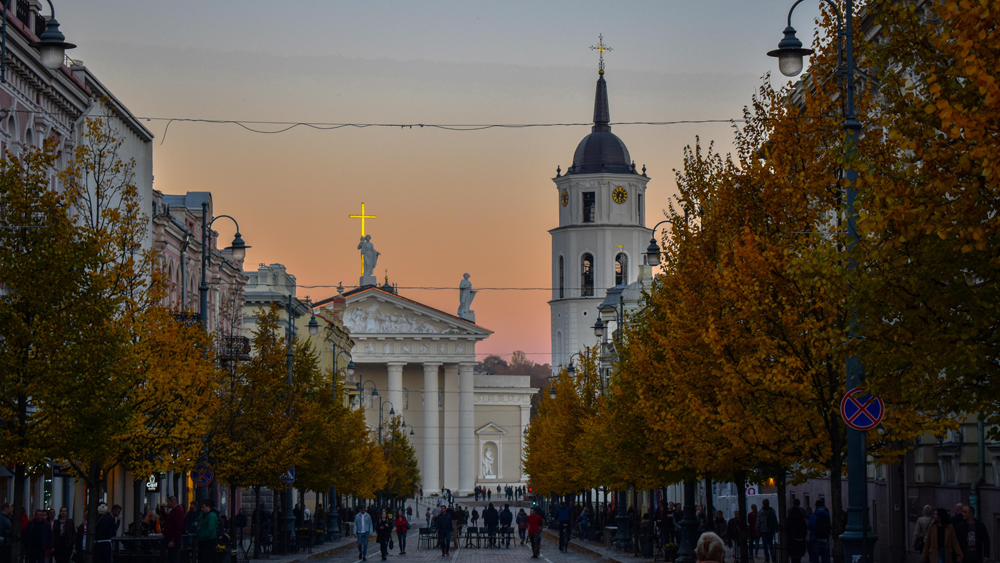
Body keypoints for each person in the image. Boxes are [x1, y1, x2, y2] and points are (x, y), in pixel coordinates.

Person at [160, 496, 184, 563]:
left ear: (172, 502)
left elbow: (179, 526)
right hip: (172, 538)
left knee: (173, 558)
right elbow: (168, 519)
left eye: (168, 502)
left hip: (173, 539)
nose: (167, 504)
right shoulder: (175, 511)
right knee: (172, 557)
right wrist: (162, 511)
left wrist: (173, 539)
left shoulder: (177, 511)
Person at [807, 499, 832, 563]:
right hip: (824, 538)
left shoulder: (813, 516)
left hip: (815, 538)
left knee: (815, 557)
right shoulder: (827, 515)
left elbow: (809, 527)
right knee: (825, 557)